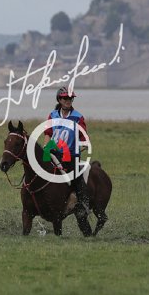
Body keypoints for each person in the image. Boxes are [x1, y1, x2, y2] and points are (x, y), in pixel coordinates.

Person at [43, 87, 91, 234]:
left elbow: (84, 139)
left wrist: (78, 148)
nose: (68, 100)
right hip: (53, 153)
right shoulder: (52, 115)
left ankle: (83, 205)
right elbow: (48, 133)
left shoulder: (78, 117)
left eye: (70, 98)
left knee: (77, 178)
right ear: (59, 100)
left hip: (70, 156)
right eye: (65, 98)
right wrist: (46, 147)